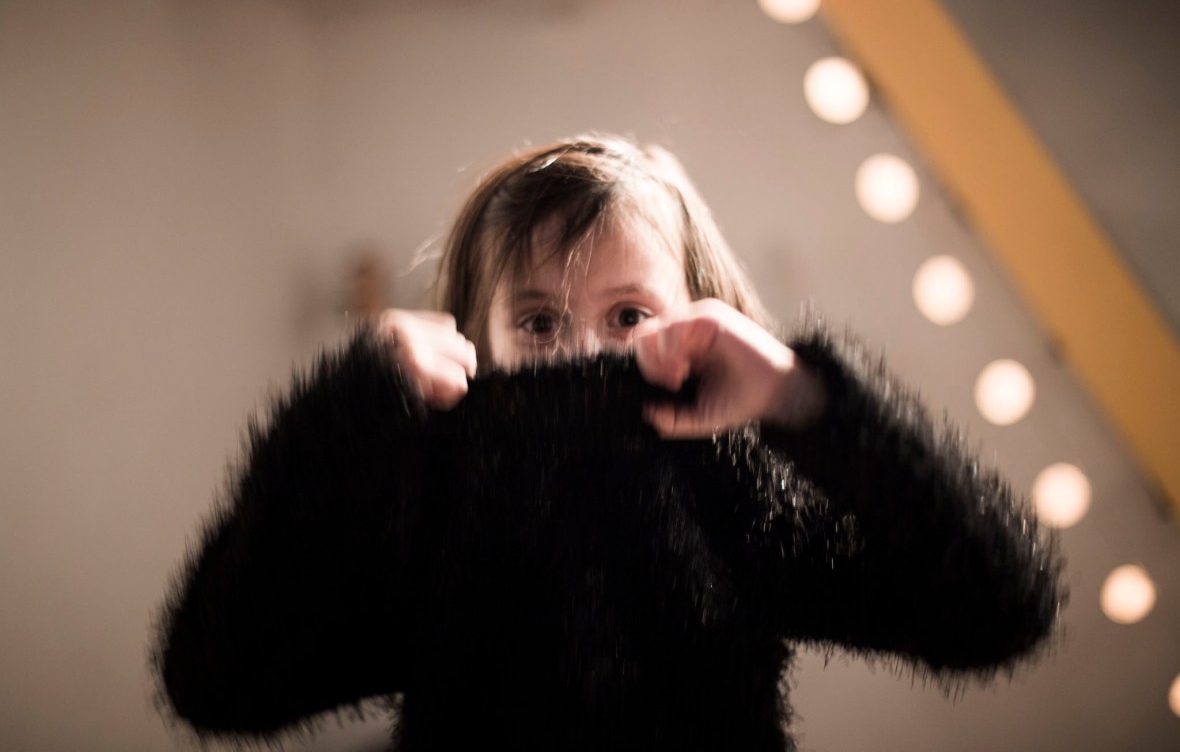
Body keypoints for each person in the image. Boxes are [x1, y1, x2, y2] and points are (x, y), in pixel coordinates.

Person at [153, 133, 1063, 751]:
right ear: (477, 338)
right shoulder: (435, 503)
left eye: (629, 316)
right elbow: (218, 678)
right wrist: (344, 424)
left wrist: (802, 398)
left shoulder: (729, 487)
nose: (586, 355)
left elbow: (997, 603)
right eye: (539, 323)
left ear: (702, 316)